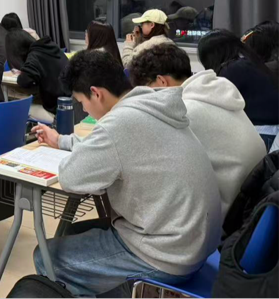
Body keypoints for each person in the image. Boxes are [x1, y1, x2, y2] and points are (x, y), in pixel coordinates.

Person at [32, 50, 222, 298]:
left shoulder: (118, 124)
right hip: (193, 242)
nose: (85, 110)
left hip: (167, 255)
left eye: (81, 102)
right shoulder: (149, 105)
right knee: (73, 232)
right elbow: (117, 149)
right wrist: (61, 141)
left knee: (45, 256)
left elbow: (70, 177)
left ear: (96, 93)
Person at [129, 43, 266, 217]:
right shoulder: (214, 90)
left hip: (228, 213)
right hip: (251, 200)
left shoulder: (182, 111)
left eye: (147, 91)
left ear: (162, 81)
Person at [198, 29, 279, 148]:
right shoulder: (249, 63)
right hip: (270, 132)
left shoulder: (231, 70)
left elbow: (213, 105)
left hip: (261, 133)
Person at [6, 28, 71, 123]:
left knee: (17, 109)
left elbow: (23, 81)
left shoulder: (34, 55)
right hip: (71, 103)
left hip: (58, 111)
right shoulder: (49, 46)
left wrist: (22, 73)